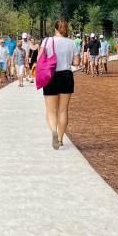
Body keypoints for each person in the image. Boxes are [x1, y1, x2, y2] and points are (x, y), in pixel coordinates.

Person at [38, 19, 80, 149]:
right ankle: (61, 140)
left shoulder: (47, 41)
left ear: (55, 29)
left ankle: (54, 132)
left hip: (50, 76)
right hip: (66, 76)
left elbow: (40, 59)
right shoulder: (72, 43)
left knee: (51, 111)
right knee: (63, 110)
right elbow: (76, 62)